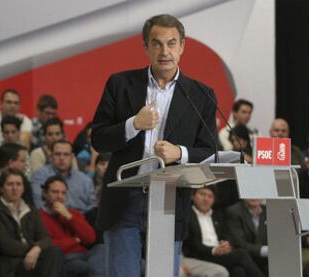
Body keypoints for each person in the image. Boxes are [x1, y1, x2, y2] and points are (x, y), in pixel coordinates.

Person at [91, 14, 217, 277]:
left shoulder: (201, 94)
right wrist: (133, 124)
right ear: (145, 47)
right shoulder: (119, 83)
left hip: (169, 200)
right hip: (125, 200)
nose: (164, 51)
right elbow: (99, 138)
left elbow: (210, 152)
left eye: (171, 44)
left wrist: (179, 153)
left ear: (182, 47)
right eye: (157, 43)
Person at [0, 168, 63, 277]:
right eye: (10, 184)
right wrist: (31, 250)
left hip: (31, 260)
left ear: (23, 188)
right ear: (1, 188)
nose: (15, 188)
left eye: (18, 184)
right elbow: (4, 244)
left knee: (55, 252)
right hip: (10, 265)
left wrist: (37, 249)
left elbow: (46, 238)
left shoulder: (31, 210)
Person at [183, 187, 265, 277]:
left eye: (210, 196)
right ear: (192, 196)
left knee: (239, 270)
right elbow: (192, 243)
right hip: (199, 256)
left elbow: (227, 235)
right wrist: (214, 250)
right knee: (241, 254)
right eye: (202, 194)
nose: (206, 199)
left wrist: (225, 244)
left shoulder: (218, 216)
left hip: (219, 255)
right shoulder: (187, 216)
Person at [39, 176, 98, 277]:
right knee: (91, 267)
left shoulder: (72, 214)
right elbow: (50, 246)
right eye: (55, 192)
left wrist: (68, 217)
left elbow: (90, 238)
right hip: (64, 259)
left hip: (86, 255)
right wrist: (75, 241)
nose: (60, 196)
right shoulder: (38, 217)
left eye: (63, 193)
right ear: (45, 194)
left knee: (102, 250)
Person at [31, 139, 96, 213]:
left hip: (80, 221)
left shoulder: (85, 180)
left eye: (66, 154)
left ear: (72, 156)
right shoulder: (39, 176)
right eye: (57, 154)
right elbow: (39, 205)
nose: (62, 158)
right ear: (51, 156)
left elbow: (92, 209)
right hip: (50, 220)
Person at [225, 199, 268, 275]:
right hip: (245, 257)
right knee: (239, 271)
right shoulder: (233, 211)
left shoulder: (268, 210)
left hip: (265, 259)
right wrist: (264, 250)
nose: (254, 197)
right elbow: (239, 243)